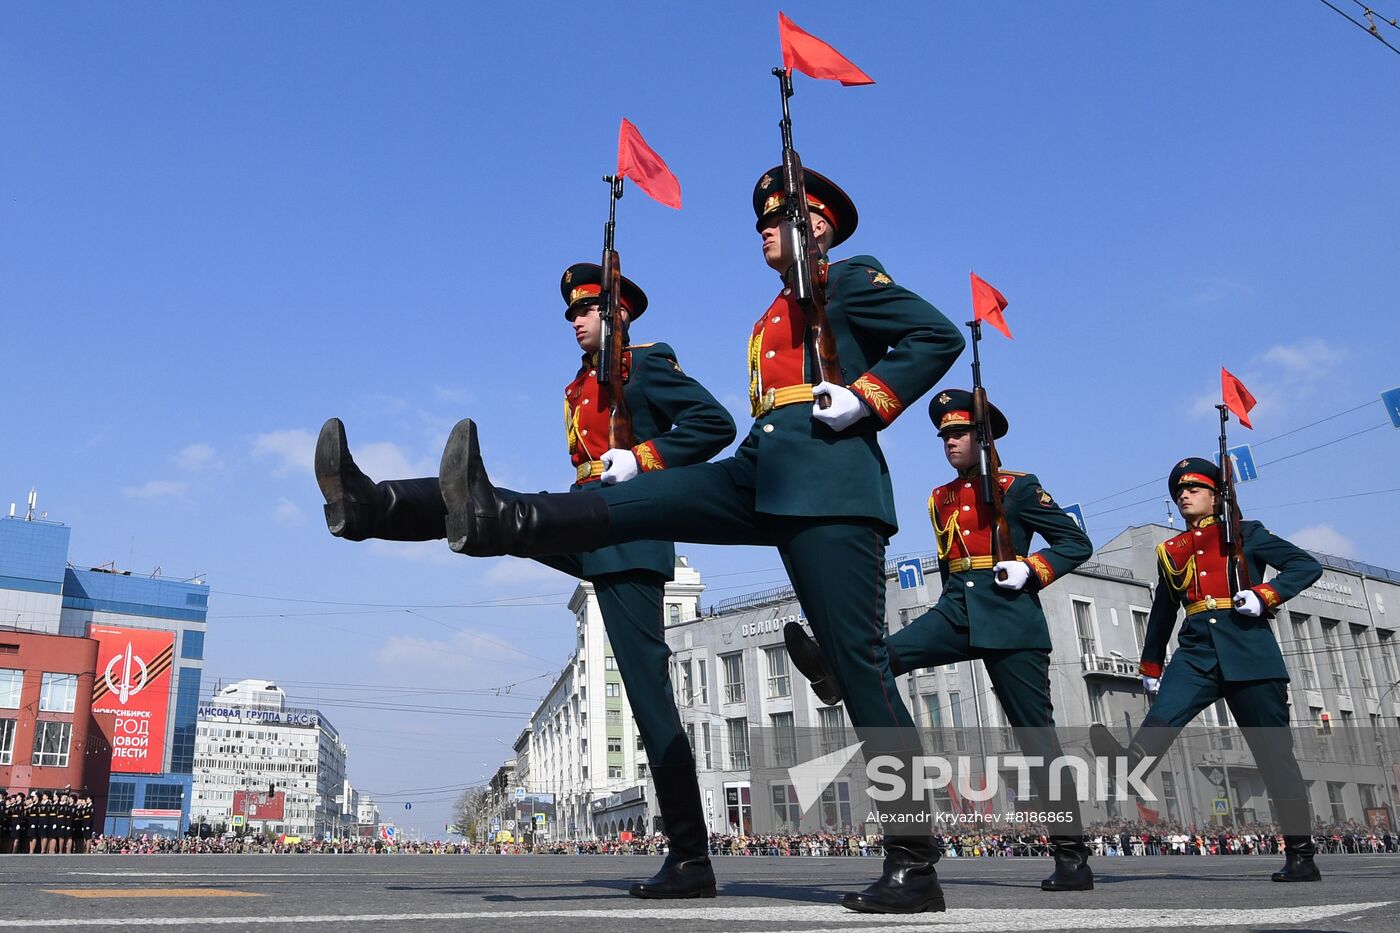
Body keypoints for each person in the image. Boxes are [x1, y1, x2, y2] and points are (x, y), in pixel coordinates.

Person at [438, 167, 965, 913]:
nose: (762, 228)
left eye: (778, 217)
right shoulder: (779, 308)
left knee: (863, 669)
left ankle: (915, 861)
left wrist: (868, 398)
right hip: (762, 468)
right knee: (643, 499)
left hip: (829, 491)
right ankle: (503, 516)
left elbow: (935, 334)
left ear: (817, 226)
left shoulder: (847, 282)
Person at [316, 262, 736, 898]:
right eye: (570, 312)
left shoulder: (645, 367)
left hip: (630, 538)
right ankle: (369, 505)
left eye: (587, 309)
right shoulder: (580, 385)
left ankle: (690, 858)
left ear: (618, 313)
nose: (574, 320)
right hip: (585, 523)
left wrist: (641, 459)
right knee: (488, 508)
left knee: (649, 702)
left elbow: (714, 424)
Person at [783, 389, 1095, 891]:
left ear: (984, 437)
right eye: (944, 434)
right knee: (881, 656)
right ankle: (835, 669)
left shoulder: (1019, 487)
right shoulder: (940, 497)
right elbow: (955, 566)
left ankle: (1072, 858)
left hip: (1012, 618)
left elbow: (1075, 542)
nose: (949, 442)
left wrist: (1032, 569)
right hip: (956, 610)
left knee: (1038, 742)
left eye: (959, 433)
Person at [1090, 456, 1324, 882]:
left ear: (1217, 496)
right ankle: (1128, 765)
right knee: (1163, 715)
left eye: (1194, 488)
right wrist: (1151, 663)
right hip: (1196, 651)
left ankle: (1301, 855)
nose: (1183, 495)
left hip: (1249, 649)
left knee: (1275, 759)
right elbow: (1163, 610)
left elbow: (1306, 566)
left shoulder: (1247, 534)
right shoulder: (1173, 550)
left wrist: (1266, 594)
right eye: (1179, 490)